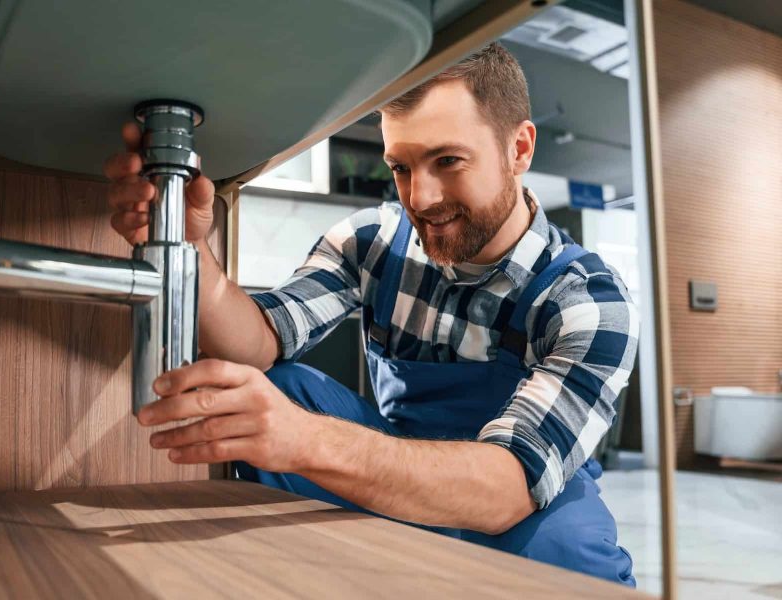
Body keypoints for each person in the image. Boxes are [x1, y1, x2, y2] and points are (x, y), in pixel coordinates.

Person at [106, 42, 637, 587]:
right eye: (401, 167)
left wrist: (309, 441)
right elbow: (260, 340)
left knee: (572, 559)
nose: (421, 197)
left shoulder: (590, 301)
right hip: (393, 459)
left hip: (518, 496)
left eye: (447, 161)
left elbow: (508, 486)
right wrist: (190, 250)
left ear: (519, 148)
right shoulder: (373, 241)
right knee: (278, 388)